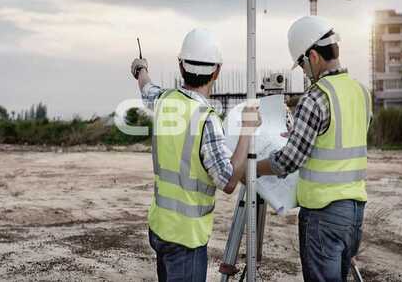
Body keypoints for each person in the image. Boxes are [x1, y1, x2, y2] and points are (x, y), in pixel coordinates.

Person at [130, 28, 261, 281]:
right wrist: (248, 129)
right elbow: (229, 180)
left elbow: (147, 88)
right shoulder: (206, 119)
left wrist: (140, 69)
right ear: (217, 71)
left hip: (160, 228)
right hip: (186, 239)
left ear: (180, 67)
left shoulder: (165, 101)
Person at [257, 16, 372, 282]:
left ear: (313, 56)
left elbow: (287, 161)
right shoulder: (361, 92)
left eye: (301, 63)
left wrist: (251, 166)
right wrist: (303, 135)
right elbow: (339, 139)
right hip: (354, 213)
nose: (303, 71)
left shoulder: (316, 96)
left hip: (323, 215)